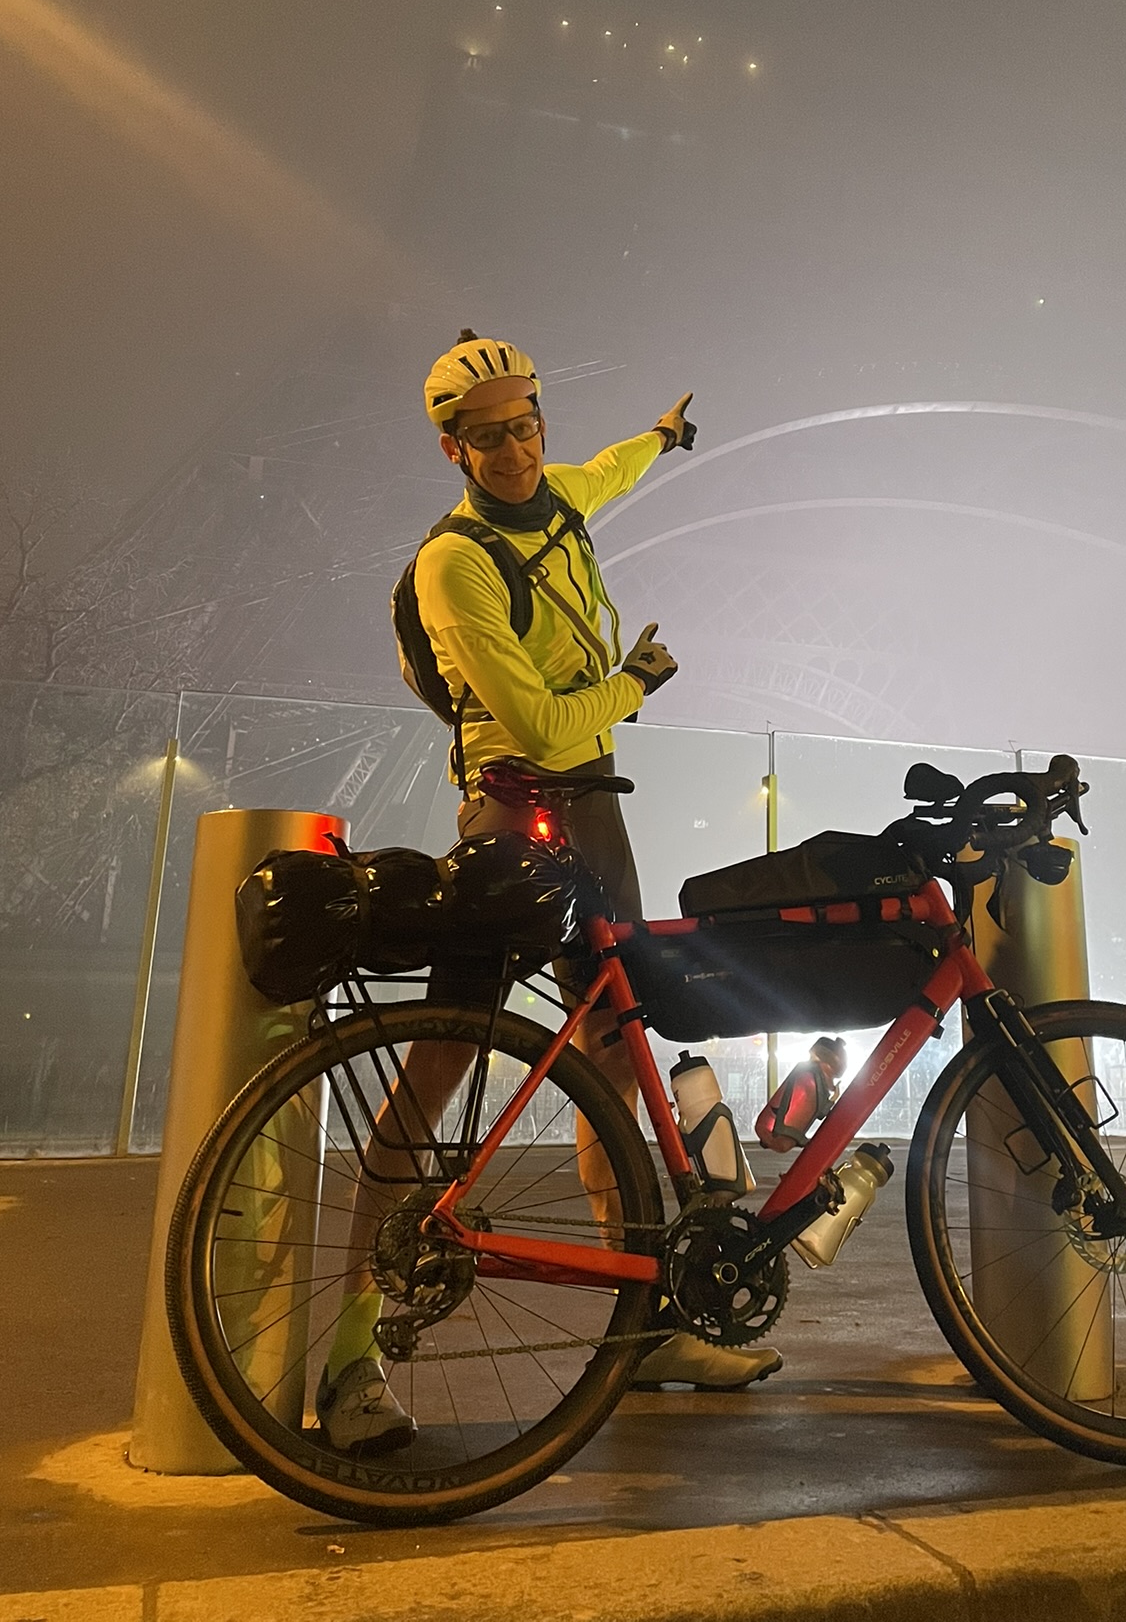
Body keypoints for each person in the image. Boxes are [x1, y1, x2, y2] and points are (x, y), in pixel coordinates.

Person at [315, 333, 781, 1455]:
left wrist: (661, 439)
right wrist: (635, 681)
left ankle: (645, 1319)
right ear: (452, 447)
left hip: (598, 810)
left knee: (615, 1054)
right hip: (514, 814)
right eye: (491, 435)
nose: (519, 448)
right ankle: (344, 1356)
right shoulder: (453, 562)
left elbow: (602, 471)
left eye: (528, 424)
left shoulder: (556, 493)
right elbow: (537, 724)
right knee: (443, 1053)